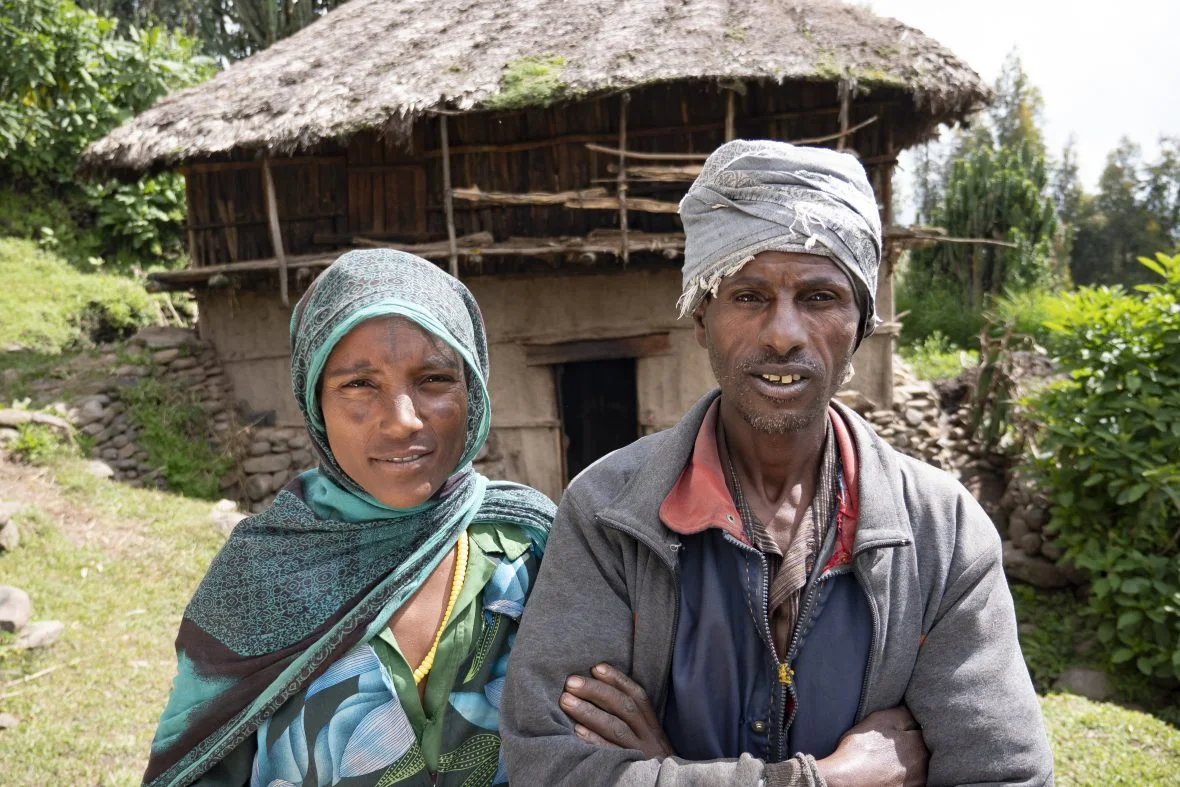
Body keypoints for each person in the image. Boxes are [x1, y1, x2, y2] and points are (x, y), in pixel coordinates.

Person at [502, 141, 1054, 786]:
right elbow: (553, 769)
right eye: (748, 295)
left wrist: (665, 772)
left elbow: (1003, 773)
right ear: (702, 317)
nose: (783, 333)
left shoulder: (940, 528)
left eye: (820, 297)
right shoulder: (610, 512)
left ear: (861, 322)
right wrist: (829, 781)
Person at [142, 250, 554, 787]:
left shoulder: (530, 543)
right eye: (359, 384)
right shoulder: (261, 574)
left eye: (433, 378)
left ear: (472, 391)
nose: (403, 421)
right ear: (315, 402)